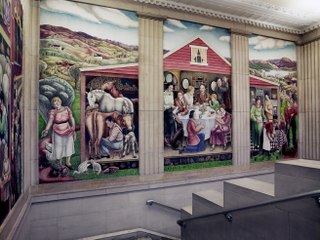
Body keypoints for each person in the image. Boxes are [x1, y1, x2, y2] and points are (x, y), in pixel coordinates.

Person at [41, 96, 76, 169]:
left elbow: (71, 117)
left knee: (68, 145)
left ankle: (67, 162)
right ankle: (60, 163)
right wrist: (46, 129)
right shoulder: (53, 112)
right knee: (58, 146)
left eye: (56, 102)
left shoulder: (66, 109)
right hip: (57, 130)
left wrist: (73, 126)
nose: (55, 104)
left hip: (67, 128)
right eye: (54, 103)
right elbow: (50, 121)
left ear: (60, 102)